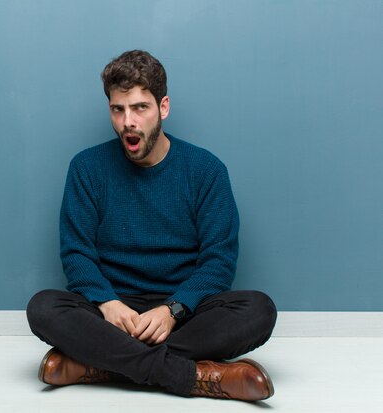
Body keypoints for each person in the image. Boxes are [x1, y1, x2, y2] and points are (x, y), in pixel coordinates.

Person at [26, 50, 277, 401]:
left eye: (140, 107)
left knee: (258, 310)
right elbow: (76, 254)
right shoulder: (86, 168)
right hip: (112, 311)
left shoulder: (206, 170)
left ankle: (96, 365)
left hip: (182, 310)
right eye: (118, 109)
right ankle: (197, 376)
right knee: (43, 308)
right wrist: (109, 304)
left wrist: (173, 310)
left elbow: (218, 262)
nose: (128, 121)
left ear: (164, 107)